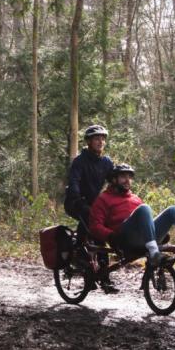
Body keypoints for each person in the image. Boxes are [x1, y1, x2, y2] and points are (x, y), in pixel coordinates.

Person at [88, 164, 175, 267]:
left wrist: (159, 231)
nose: (127, 180)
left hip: (144, 239)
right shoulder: (103, 199)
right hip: (124, 240)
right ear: (114, 180)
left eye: (129, 177)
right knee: (144, 208)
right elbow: (95, 225)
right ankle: (154, 253)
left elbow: (146, 221)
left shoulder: (135, 198)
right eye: (123, 177)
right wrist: (110, 236)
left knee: (173, 209)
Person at [64, 125, 115, 292]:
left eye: (102, 138)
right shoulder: (80, 161)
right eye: (96, 138)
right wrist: (77, 198)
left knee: (101, 232)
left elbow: (114, 182)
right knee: (90, 221)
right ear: (89, 142)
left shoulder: (106, 162)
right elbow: (74, 182)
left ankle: (101, 275)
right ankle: (78, 254)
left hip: (93, 204)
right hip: (75, 202)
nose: (100, 141)